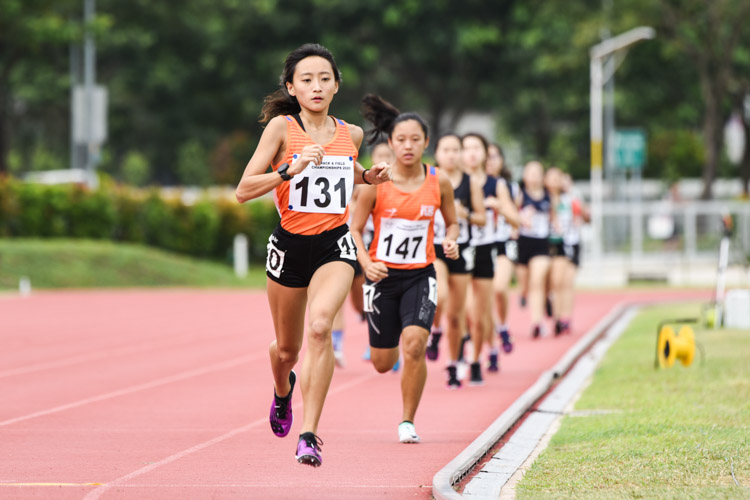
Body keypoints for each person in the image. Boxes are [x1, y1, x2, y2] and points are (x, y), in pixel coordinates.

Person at [235, 43, 390, 467]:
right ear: (292, 87)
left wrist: (367, 176)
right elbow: (243, 189)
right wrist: (288, 169)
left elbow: (346, 170)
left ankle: (310, 434)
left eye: (325, 78)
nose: (316, 86)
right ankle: (282, 389)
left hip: (333, 245)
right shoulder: (282, 130)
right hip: (288, 246)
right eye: (306, 80)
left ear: (337, 85)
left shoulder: (351, 134)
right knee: (287, 351)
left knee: (321, 327)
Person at [351, 94, 459, 442]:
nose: (408, 146)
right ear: (391, 143)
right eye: (401, 139)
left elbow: (452, 223)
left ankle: (407, 421)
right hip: (382, 278)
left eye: (415, 139)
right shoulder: (377, 182)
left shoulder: (438, 181)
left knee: (414, 345)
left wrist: (452, 239)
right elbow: (353, 228)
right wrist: (366, 263)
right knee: (383, 362)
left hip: (420, 274)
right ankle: (389, 335)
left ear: (426, 142)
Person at [424, 133, 485, 390]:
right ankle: (435, 331)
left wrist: (465, 214)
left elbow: (482, 217)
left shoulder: (470, 182)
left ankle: (452, 362)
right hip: (434, 247)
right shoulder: (427, 178)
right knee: (441, 296)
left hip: (461, 248)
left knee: (458, 315)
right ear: (437, 153)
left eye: (455, 150)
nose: (451, 154)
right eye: (446, 149)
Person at [462, 133, 518, 384]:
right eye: (467, 148)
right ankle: (470, 347)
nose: (471, 153)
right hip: (460, 249)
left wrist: (499, 206)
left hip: (487, 248)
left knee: (480, 310)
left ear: (485, 153)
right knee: (464, 311)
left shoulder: (497, 184)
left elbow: (516, 220)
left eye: (477, 147)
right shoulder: (452, 181)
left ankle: (481, 354)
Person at [336, 139, 396, 366]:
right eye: (379, 154)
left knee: (364, 300)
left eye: (387, 155)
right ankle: (336, 345)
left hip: (379, 248)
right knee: (339, 298)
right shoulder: (362, 182)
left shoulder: (399, 184)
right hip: (348, 243)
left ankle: (382, 341)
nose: (383, 159)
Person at [486, 143, 518, 368]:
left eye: (495, 156)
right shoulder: (471, 183)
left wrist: (500, 207)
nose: (490, 160)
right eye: (487, 156)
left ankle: (503, 325)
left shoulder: (508, 186)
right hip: (479, 246)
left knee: (499, 288)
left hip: (503, 243)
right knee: (483, 302)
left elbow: (516, 217)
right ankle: (491, 348)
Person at [547, 170, 589, 335]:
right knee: (556, 282)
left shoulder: (572, 199)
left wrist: (582, 213)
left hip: (572, 242)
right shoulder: (545, 199)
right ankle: (555, 312)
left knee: (567, 282)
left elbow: (583, 217)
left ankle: (565, 318)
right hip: (553, 244)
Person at [515, 161, 554, 339]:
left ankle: (537, 323)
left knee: (536, 282)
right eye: (530, 173)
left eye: (537, 173)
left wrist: (557, 226)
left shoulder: (549, 196)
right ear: (524, 176)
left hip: (541, 245)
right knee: (525, 287)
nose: (534, 177)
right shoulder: (520, 195)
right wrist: (520, 220)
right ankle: (532, 298)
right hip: (522, 244)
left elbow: (554, 218)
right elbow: (511, 215)